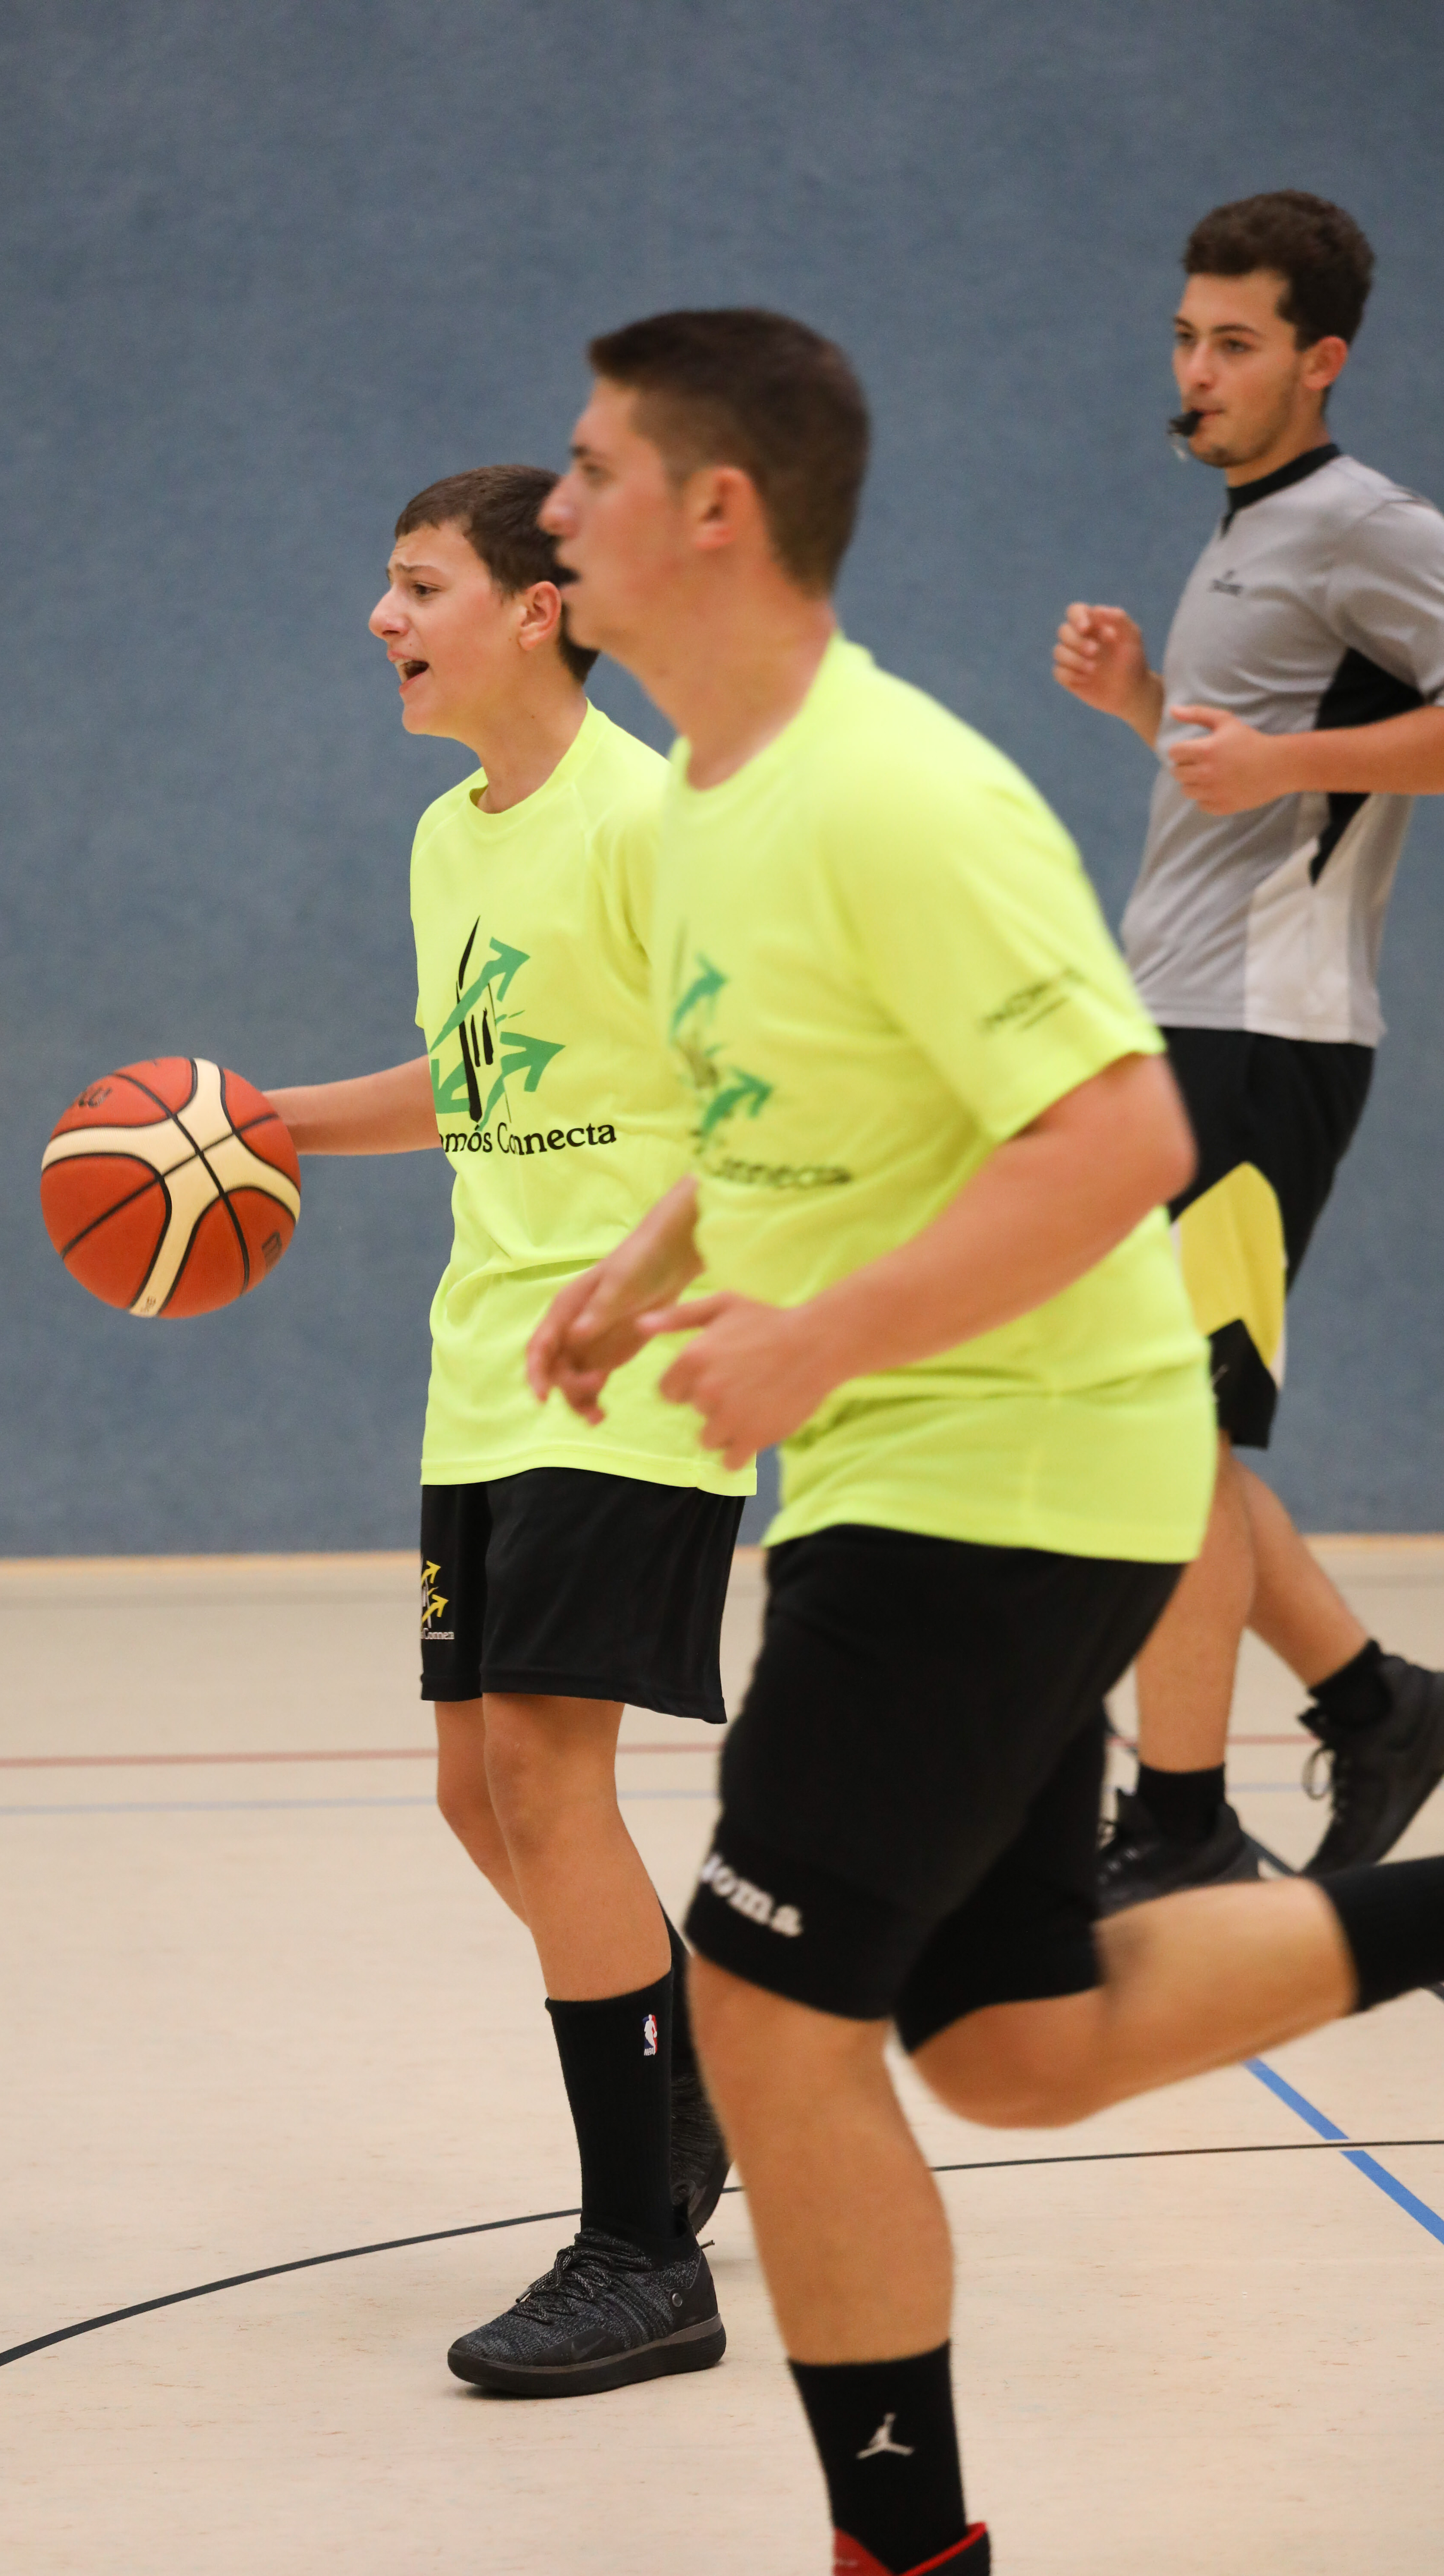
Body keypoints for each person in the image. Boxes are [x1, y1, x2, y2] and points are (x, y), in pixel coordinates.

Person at [528, 305, 1444, 2576]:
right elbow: (793, 1093)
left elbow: (1123, 1132)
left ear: (713, 509)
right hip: (943, 1459)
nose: (553, 507)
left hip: (1001, 1463)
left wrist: (820, 1339)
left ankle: (909, 2557)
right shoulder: (705, 803)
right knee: (1011, 2042)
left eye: (590, 469)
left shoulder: (895, 792)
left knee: (767, 2012)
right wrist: (650, 1264)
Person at [268, 463, 752, 2397]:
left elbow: (772, 1101)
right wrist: (261, 1122)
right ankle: (693, 2066)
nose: (382, 621)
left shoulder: (652, 819)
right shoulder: (445, 841)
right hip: (484, 1365)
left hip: (629, 1366)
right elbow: (479, 1084)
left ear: (536, 609)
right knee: (479, 1796)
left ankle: (641, 2251)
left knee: (553, 1783)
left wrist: (645, 1281)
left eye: (418, 586)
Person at [1054, 191, 1444, 1909]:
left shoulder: (1364, 526)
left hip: (1263, 1036)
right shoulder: (1248, 530)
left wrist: (1287, 767)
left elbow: (1300, 777)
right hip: (1180, 1021)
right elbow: (1256, 776)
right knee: (1161, 1420)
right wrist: (1149, 709)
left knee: (1165, 1434)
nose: (1197, 371)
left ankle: (1188, 1818)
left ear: (1320, 360)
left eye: (1234, 343)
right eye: (1184, 338)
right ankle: (1375, 1710)